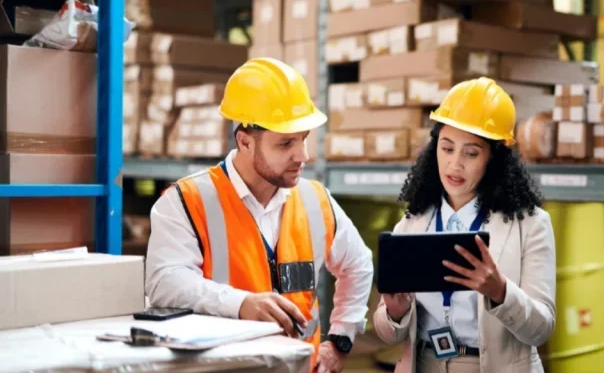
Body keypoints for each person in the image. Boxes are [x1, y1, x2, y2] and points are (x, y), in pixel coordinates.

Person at [145, 58, 374, 373]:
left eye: (304, 139)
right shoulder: (186, 201)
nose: (302, 156)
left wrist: (341, 340)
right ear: (245, 141)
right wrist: (241, 304)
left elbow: (359, 265)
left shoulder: (315, 201)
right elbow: (165, 282)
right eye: (285, 143)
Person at [372, 77, 556, 373]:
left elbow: (541, 329)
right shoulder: (412, 223)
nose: (455, 164)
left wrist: (501, 292)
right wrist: (395, 311)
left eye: (470, 153)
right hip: (426, 364)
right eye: (446, 149)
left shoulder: (531, 225)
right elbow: (387, 332)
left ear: (494, 160)